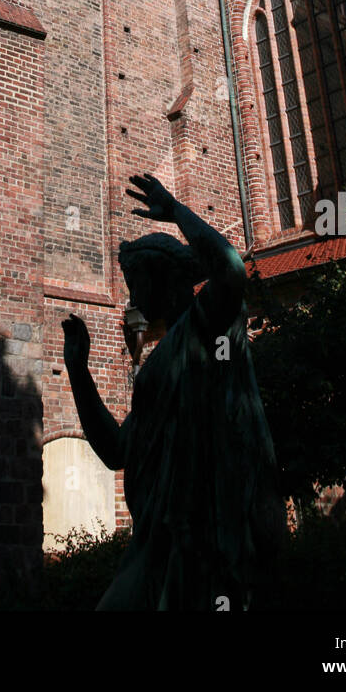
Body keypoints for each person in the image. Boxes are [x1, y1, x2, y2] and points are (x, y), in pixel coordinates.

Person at [62, 173, 284, 611]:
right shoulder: (163, 358)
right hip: (161, 541)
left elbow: (232, 270)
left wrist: (176, 211)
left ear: (167, 280)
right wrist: (78, 373)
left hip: (205, 536)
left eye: (136, 281)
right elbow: (117, 450)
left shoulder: (208, 325)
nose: (131, 294)